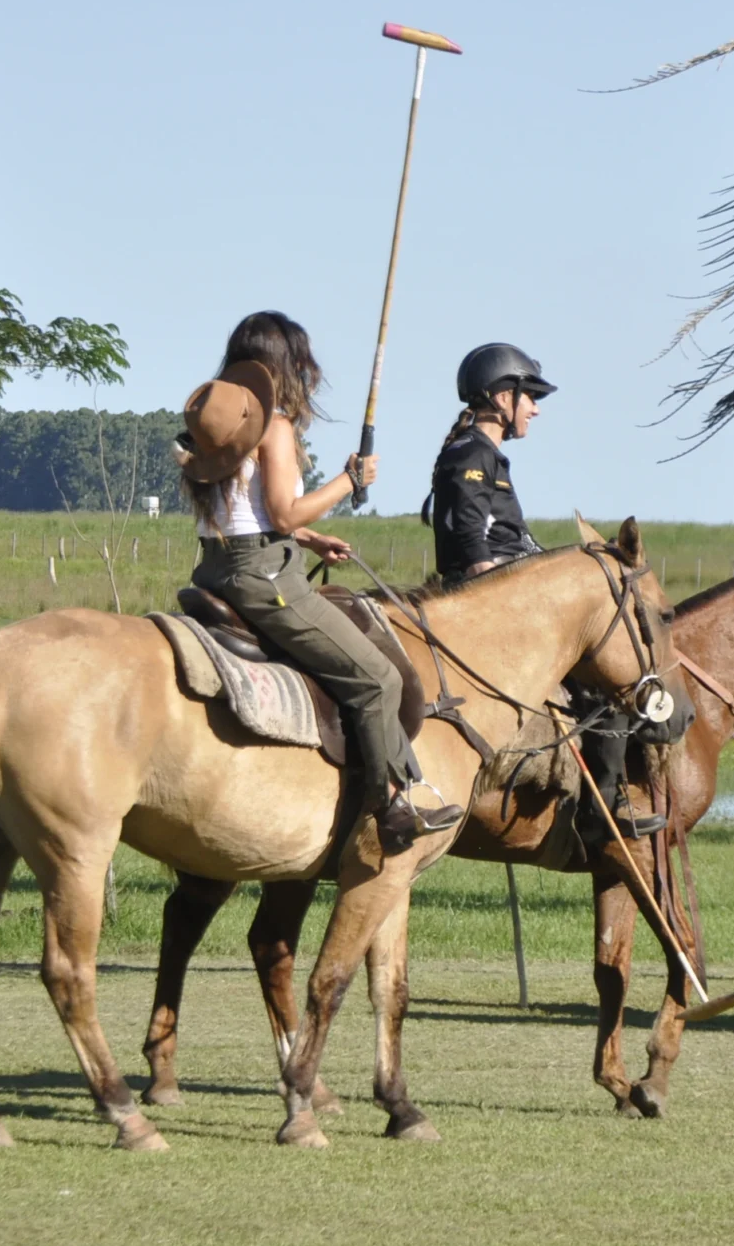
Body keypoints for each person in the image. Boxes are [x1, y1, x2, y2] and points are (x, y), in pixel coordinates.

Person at [181, 311, 462, 854]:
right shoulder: (275, 426)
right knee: (379, 678)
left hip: (218, 566)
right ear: (284, 366)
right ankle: (392, 808)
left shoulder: (224, 420)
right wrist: (349, 481)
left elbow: (249, 511)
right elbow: (281, 515)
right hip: (266, 578)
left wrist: (310, 540)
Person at [425, 343, 663, 845]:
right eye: (528, 395)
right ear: (498, 397)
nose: (535, 406)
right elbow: (472, 542)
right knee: (606, 677)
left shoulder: (488, 454)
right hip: (493, 606)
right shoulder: (471, 453)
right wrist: (515, 598)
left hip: (511, 593)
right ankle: (607, 804)